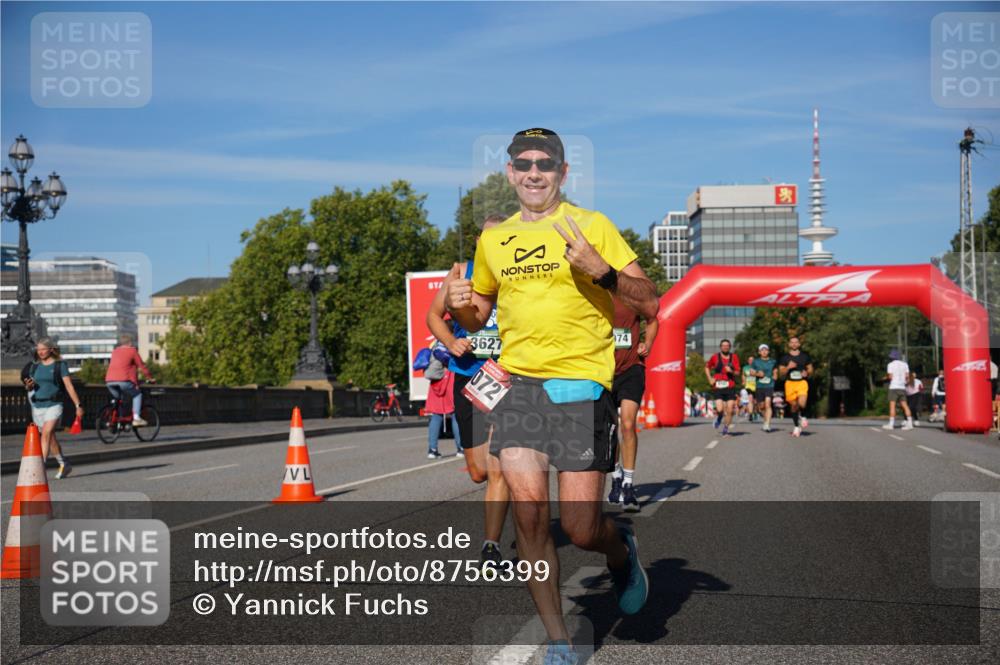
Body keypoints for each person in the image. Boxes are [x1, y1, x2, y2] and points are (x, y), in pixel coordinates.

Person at [446, 127, 656, 662]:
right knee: (531, 517)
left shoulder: (592, 225)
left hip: (582, 388)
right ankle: (559, 642)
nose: (534, 172)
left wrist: (603, 272)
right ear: (510, 172)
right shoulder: (494, 239)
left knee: (582, 528)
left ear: (562, 173)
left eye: (546, 163)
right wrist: (460, 301)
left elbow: (650, 301)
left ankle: (620, 550)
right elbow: (480, 316)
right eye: (524, 163)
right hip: (520, 389)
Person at [427, 213, 512, 566]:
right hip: (468, 376)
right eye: (487, 239)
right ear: (479, 241)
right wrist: (451, 342)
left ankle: (490, 546)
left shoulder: (517, 275)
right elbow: (433, 316)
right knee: (477, 470)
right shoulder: (461, 272)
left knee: (497, 468)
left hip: (505, 376)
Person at [607, 295, 658, 513]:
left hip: (631, 369)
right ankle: (616, 476)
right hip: (603, 371)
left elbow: (653, 318)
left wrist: (647, 343)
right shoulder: (591, 293)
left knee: (628, 424)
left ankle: (628, 484)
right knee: (610, 430)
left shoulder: (631, 295)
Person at [20, 337, 84, 479]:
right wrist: (28, 385)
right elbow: (29, 386)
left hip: (55, 404)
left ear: (50, 349)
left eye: (43, 349)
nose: (41, 352)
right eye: (39, 349)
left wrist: (78, 405)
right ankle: (63, 463)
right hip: (38, 405)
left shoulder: (59, 365)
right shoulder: (34, 366)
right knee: (48, 437)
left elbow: (69, 386)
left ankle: (39, 468)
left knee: (47, 433)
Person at [105, 334, 154, 426]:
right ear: (130, 343)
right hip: (123, 381)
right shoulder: (132, 351)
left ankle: (115, 418)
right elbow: (142, 366)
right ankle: (136, 418)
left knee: (119, 399)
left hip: (109, 381)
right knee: (137, 394)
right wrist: (149, 377)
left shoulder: (115, 351)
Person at [778, 336, 814, 438]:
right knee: (794, 406)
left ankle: (802, 416)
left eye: (796, 342)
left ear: (799, 344)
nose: (794, 344)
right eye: (792, 342)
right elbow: (781, 373)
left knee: (802, 403)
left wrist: (807, 372)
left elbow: (811, 369)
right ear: (789, 344)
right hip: (790, 383)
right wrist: (788, 367)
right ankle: (796, 426)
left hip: (801, 382)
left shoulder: (805, 356)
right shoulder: (784, 358)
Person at [705, 339, 740, 436]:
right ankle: (719, 417)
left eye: (727, 345)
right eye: (723, 345)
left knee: (730, 409)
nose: (725, 347)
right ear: (720, 347)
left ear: (730, 347)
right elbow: (707, 367)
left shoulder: (734, 357)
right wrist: (710, 379)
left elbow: (738, 372)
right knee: (720, 409)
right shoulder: (715, 357)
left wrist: (731, 372)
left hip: (730, 386)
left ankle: (726, 428)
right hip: (718, 386)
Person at [425, 366, 462, 459]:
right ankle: (460, 448)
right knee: (455, 414)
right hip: (451, 379)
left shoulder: (434, 351)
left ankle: (432, 450)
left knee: (436, 415)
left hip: (436, 381)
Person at [883, 349, 914, 430]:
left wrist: (886, 378)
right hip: (902, 387)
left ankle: (891, 424)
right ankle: (910, 423)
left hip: (893, 387)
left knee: (892, 406)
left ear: (892, 357)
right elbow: (907, 376)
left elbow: (890, 377)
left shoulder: (890, 365)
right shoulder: (905, 364)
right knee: (905, 405)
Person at [751, 344, 778, 432]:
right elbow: (751, 372)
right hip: (759, 386)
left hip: (769, 385)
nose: (764, 351)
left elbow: (775, 370)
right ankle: (765, 420)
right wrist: (758, 374)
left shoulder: (773, 361)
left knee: (768, 404)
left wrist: (775, 375)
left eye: (766, 350)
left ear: (768, 351)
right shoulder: (755, 362)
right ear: (759, 352)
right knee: (761, 407)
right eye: (762, 350)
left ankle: (767, 424)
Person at [742, 355, 757, 421]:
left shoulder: (758, 367)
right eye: (750, 360)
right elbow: (743, 375)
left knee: (756, 401)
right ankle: (750, 414)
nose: (751, 361)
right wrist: (743, 381)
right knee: (750, 399)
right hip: (749, 386)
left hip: (757, 386)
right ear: (748, 361)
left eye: (752, 360)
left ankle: (755, 411)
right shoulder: (745, 368)